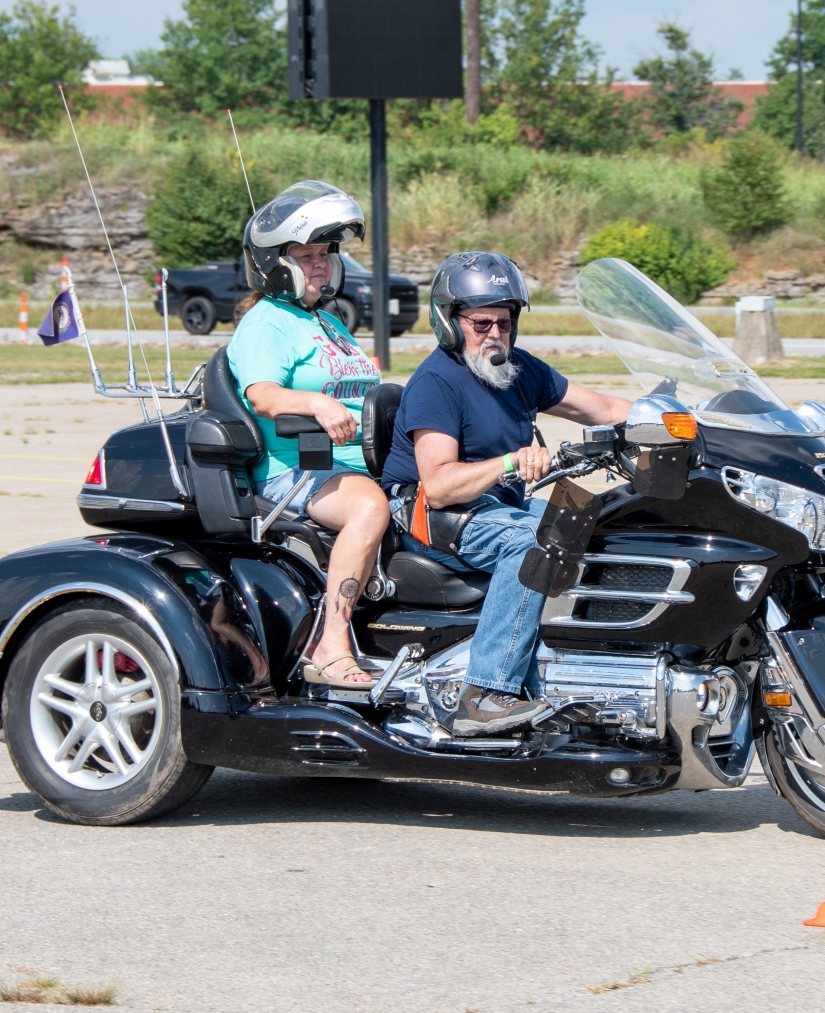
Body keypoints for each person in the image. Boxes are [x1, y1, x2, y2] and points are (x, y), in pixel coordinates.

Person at [379, 252, 632, 736]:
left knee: (600, 518)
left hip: (497, 506)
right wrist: (512, 462)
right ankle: (484, 694)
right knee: (535, 541)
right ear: (449, 323)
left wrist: (680, 418)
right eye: (481, 323)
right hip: (430, 515)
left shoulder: (517, 369)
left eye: (505, 322)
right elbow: (439, 485)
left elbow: (601, 407)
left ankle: (578, 676)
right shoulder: (437, 382)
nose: (495, 334)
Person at [226, 180, 388, 687]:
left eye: (326, 254)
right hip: (295, 468)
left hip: (353, 461)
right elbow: (263, 396)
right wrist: (316, 403)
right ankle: (331, 646)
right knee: (368, 507)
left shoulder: (328, 323)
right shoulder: (268, 323)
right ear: (275, 264)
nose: (321, 264)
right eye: (307, 255)